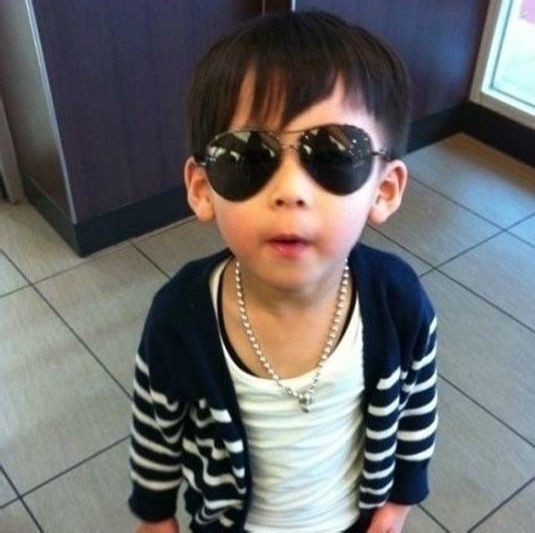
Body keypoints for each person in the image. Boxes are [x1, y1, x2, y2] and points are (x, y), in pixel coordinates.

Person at [128, 10, 437, 533]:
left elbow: (417, 409)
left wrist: (401, 499)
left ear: (384, 190)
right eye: (247, 156)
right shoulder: (179, 317)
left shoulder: (398, 302)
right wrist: (155, 516)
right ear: (202, 189)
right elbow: (156, 430)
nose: (290, 190)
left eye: (334, 154)